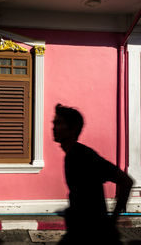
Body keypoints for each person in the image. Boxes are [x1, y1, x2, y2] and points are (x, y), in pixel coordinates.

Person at [53, 104, 133, 244]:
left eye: (59, 123)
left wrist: (112, 220)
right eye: (54, 123)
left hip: (94, 234)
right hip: (81, 232)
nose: (53, 127)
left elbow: (126, 181)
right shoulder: (71, 155)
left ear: (72, 129)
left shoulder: (84, 156)